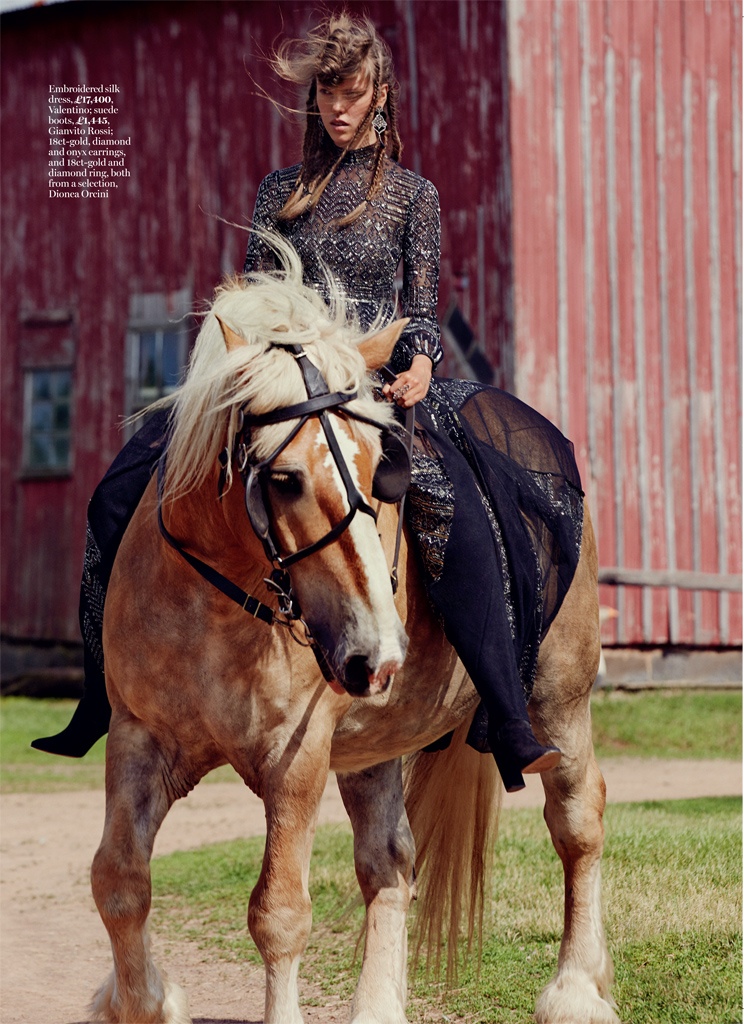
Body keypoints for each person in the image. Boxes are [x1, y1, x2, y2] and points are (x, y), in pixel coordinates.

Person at [34, 12, 584, 794]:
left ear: (380, 96)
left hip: (369, 383)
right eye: (328, 91)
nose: (338, 107)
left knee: (450, 503)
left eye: (352, 92)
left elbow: (421, 310)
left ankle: (504, 712)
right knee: (117, 490)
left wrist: (422, 360)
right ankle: (101, 695)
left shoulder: (411, 198)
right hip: (281, 386)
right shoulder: (280, 193)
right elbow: (257, 294)